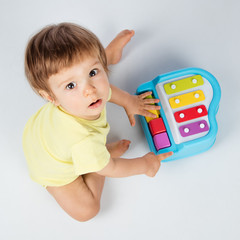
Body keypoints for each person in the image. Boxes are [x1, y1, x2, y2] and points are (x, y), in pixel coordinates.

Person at [23, 23, 173, 222]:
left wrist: (130, 101)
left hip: (38, 133)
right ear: (51, 97)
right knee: (87, 211)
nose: (89, 90)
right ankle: (101, 156)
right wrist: (145, 164)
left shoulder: (84, 97)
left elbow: (106, 90)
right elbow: (111, 169)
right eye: (70, 85)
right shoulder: (83, 140)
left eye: (94, 72)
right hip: (51, 168)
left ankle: (106, 56)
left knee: (83, 67)